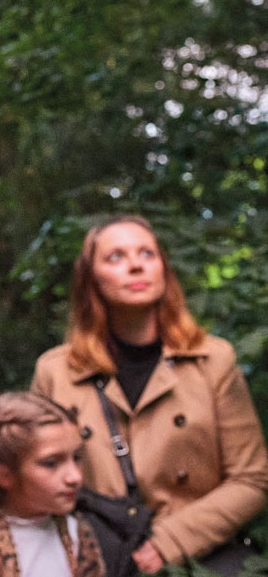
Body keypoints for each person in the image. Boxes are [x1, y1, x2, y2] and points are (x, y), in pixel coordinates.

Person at [32, 214, 268, 573]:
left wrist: (170, 541)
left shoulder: (213, 361)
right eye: (116, 257)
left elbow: (252, 478)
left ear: (164, 271)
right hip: (95, 560)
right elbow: (34, 481)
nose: (136, 266)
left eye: (147, 254)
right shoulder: (56, 372)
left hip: (200, 556)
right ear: (91, 280)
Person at [0, 392, 151, 577]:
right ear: (3, 473)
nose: (74, 476)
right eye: (51, 463)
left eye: (76, 458)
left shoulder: (108, 531)